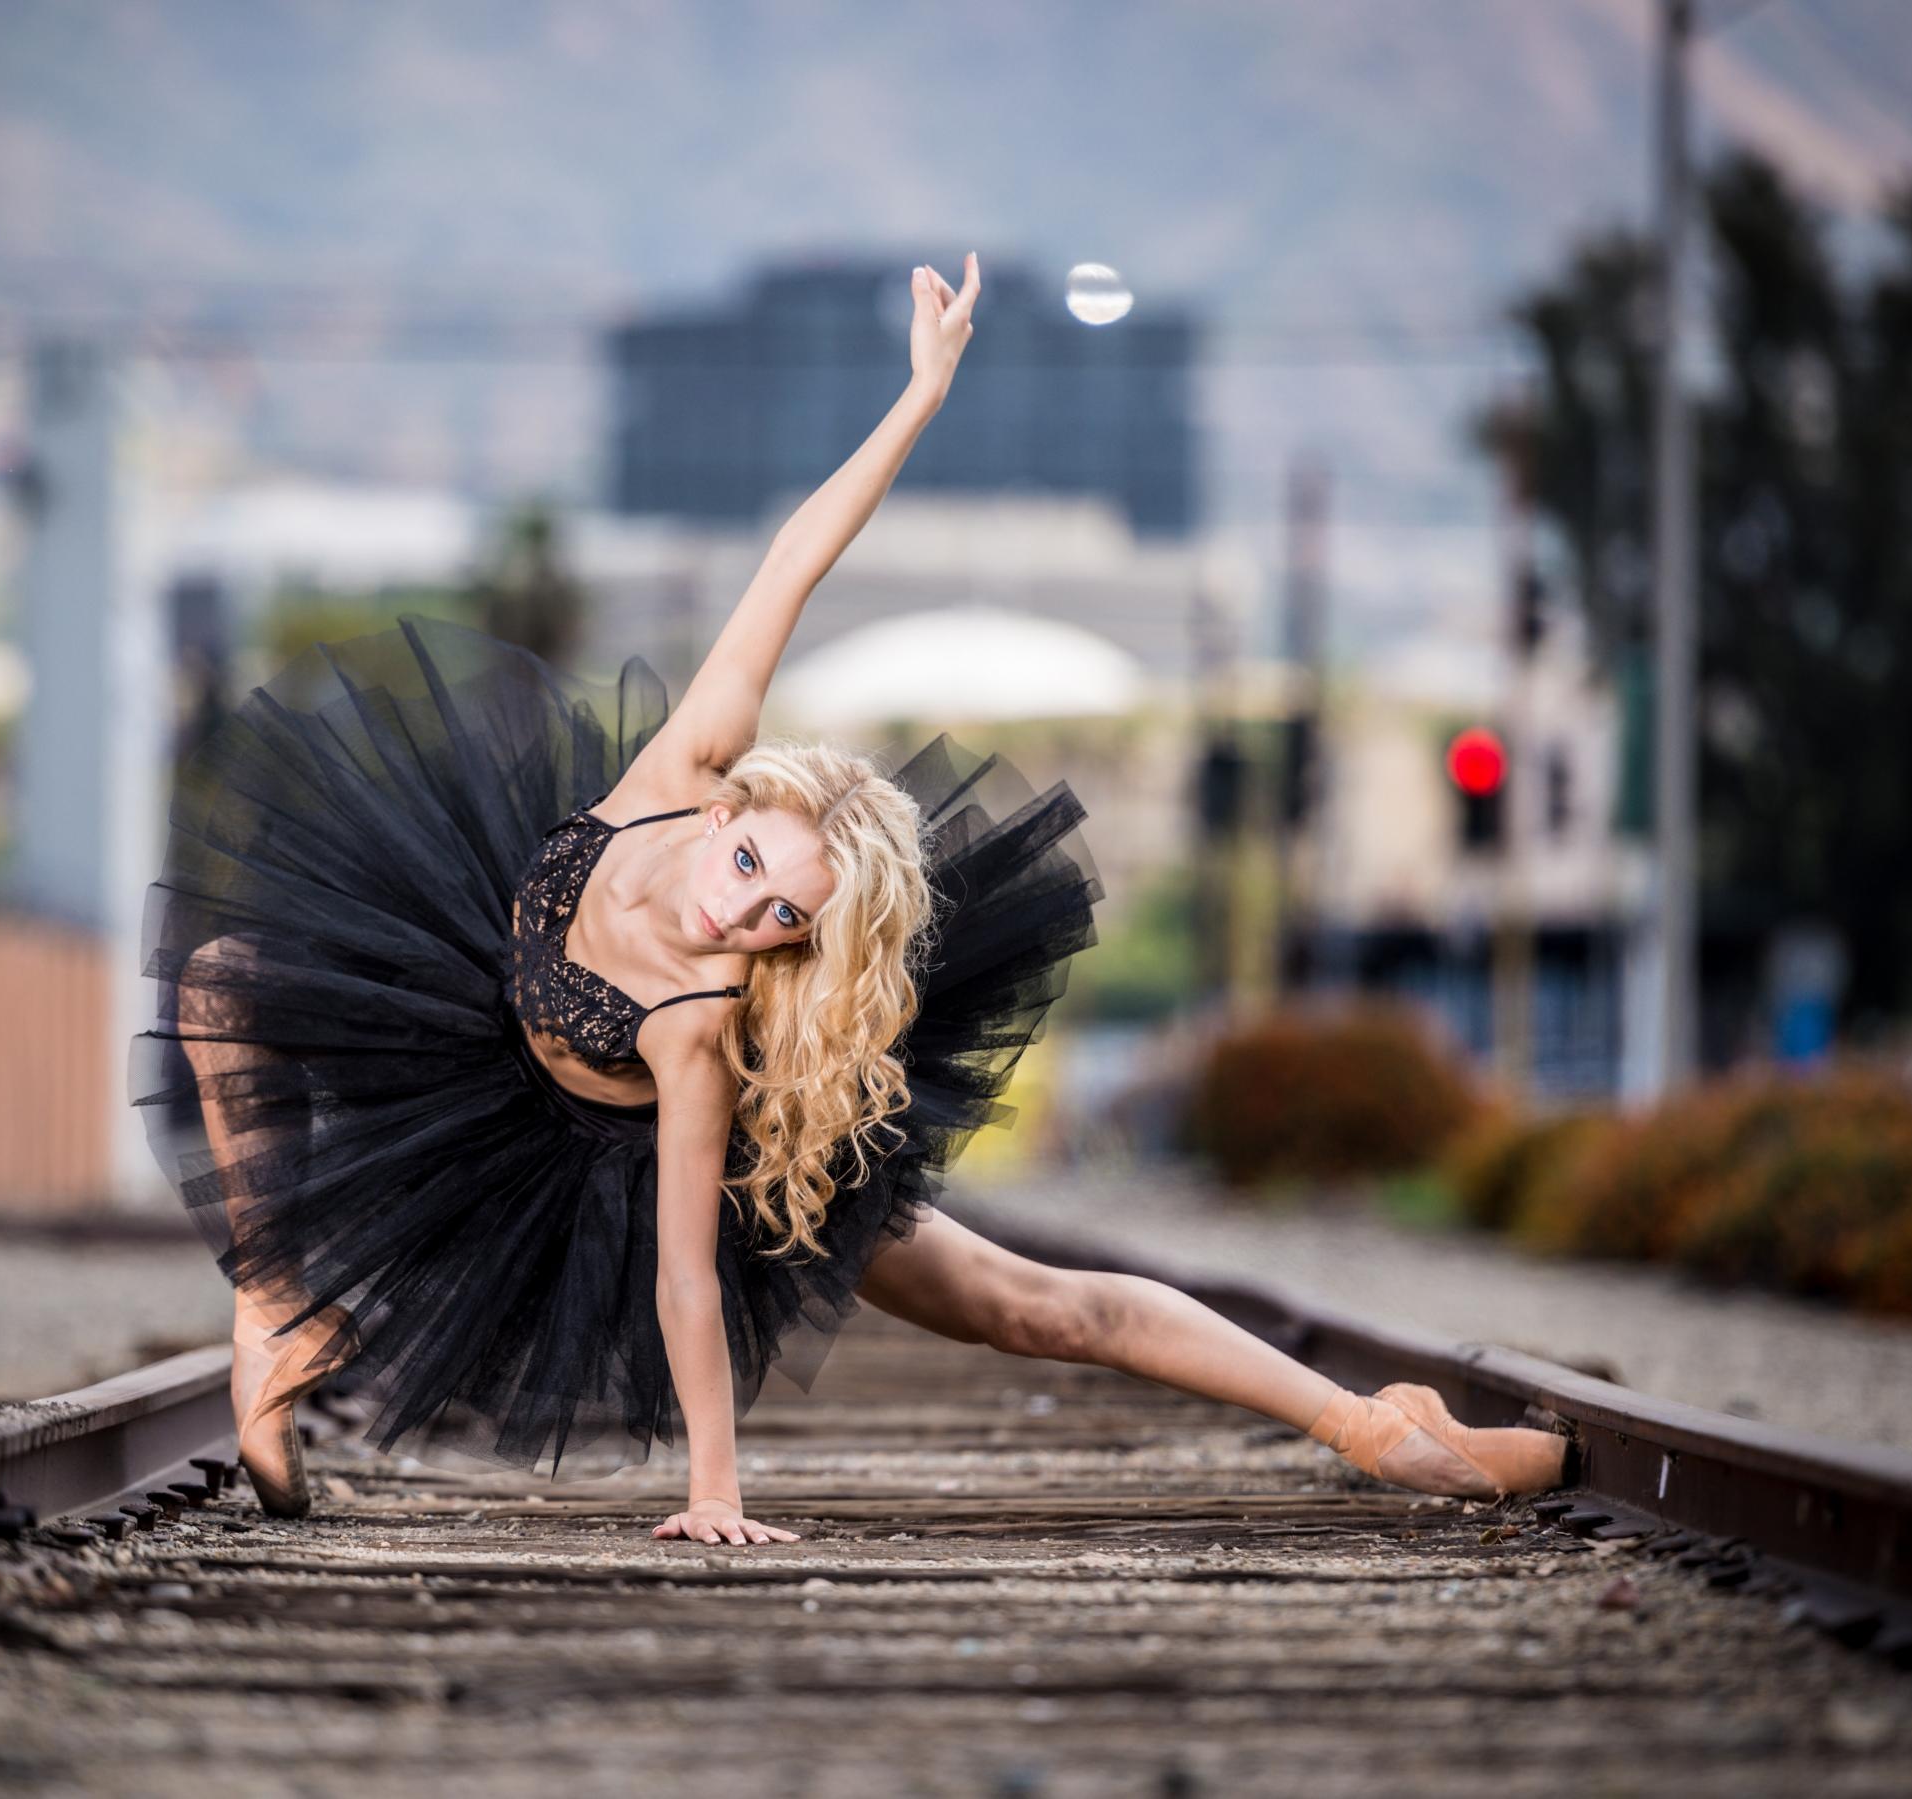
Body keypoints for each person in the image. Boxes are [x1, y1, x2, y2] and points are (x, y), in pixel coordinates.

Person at [132, 253, 1569, 1544]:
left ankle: (1375, 1429)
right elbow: (792, 557)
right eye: (747, 869)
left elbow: (685, 1282)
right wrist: (920, 397)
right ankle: (278, 1307)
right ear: (734, 804)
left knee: (1034, 1307)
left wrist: (715, 1494)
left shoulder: (702, 1021)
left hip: (695, 1153)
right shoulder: (683, 769)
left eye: (780, 925)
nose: (736, 915)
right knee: (222, 979)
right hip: (482, 1026)